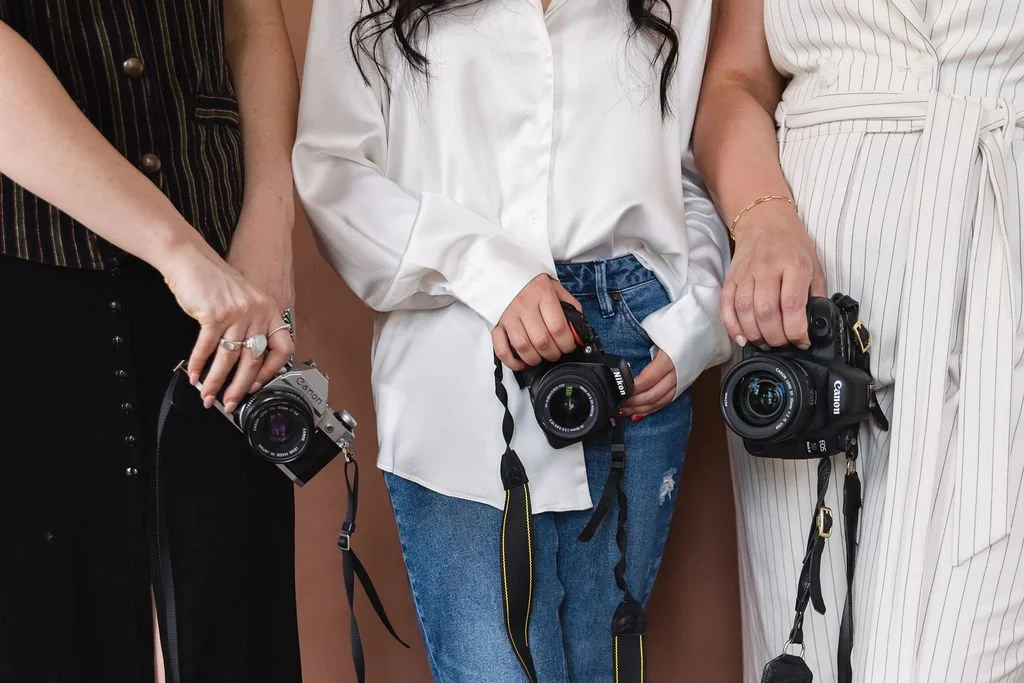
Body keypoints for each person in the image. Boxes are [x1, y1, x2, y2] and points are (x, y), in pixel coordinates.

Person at [293, 0, 731, 679]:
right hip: (456, 358)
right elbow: (332, 171)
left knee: (604, 669)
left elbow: (687, 175)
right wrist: (487, 268)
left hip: (634, 358)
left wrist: (696, 318)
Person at [694, 0, 1024, 680]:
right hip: (802, 305)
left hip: (1000, 257)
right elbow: (734, 84)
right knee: (801, 652)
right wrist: (763, 223)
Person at [0, 1, 301, 681]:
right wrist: (177, 251)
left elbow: (252, 21)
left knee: (233, 624)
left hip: (225, 281)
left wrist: (269, 223)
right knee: (50, 624)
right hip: (31, 272)